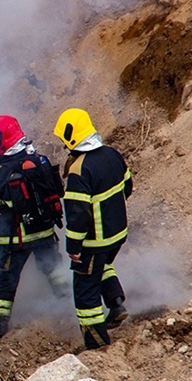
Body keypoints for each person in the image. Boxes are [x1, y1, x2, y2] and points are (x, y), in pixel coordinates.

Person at [0, 115, 71, 339]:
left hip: (16, 240)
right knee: (55, 271)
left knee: (4, 284)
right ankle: (69, 308)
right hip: (46, 232)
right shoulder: (39, 161)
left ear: (1, 142)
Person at [53, 108, 133, 350]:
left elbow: (77, 216)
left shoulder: (80, 170)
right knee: (102, 266)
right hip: (117, 235)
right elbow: (127, 187)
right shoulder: (112, 154)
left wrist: (74, 247)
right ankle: (116, 302)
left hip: (94, 241)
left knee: (85, 291)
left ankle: (98, 344)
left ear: (71, 137)